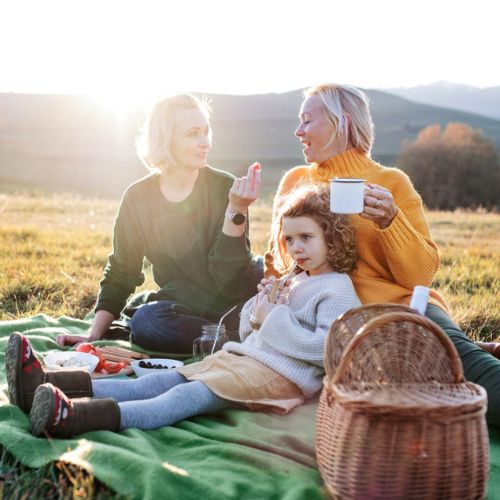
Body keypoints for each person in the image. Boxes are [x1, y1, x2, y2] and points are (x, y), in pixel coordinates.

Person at [6, 185, 361, 436]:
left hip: (278, 379)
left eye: (306, 238)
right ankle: (46, 384)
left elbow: (328, 351)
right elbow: (254, 333)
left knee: (185, 395)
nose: (296, 248)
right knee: (164, 379)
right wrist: (258, 308)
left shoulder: (337, 289)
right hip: (244, 360)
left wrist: (274, 315)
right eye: (289, 239)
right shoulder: (294, 280)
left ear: (332, 237)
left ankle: (74, 417)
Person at [265, 82, 500, 427]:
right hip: (330, 320)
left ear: (341, 122)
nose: (297, 131)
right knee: (416, 395)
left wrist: (392, 221)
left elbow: (420, 276)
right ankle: (477, 348)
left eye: (307, 121)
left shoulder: (391, 182)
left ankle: (470, 351)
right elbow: (281, 260)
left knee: (486, 390)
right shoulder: (295, 181)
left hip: (401, 311)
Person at [56, 93, 262, 354]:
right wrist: (93, 333)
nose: (204, 142)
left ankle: (232, 336)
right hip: (182, 307)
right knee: (146, 322)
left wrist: (236, 209)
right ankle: (232, 339)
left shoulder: (226, 188)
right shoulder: (138, 198)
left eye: (206, 132)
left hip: (234, 303)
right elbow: (121, 270)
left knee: (148, 321)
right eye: (193, 133)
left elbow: (229, 282)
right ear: (165, 140)